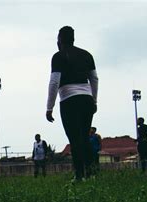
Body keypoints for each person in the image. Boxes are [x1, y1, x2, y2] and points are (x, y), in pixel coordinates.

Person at [45, 26, 98, 181]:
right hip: (87, 97)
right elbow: (94, 79)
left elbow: (54, 82)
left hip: (69, 99)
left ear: (60, 39)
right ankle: (91, 173)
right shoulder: (87, 55)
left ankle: (79, 174)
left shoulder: (59, 56)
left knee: (74, 139)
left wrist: (49, 107)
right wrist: (94, 100)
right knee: (85, 136)